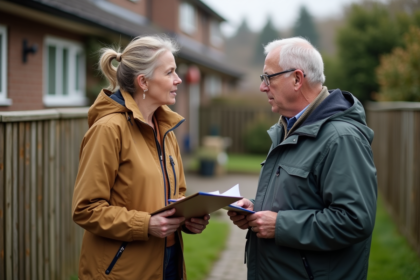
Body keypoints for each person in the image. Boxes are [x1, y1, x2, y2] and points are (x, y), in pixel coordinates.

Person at [228, 37, 377, 280]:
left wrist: (280, 225)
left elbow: (354, 220)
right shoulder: (289, 128)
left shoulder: (341, 138)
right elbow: (302, 197)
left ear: (297, 79)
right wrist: (257, 208)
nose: (262, 87)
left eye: (268, 77)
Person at [72, 35, 209, 280]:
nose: (178, 80)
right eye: (169, 73)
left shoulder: (166, 131)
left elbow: (175, 196)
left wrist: (188, 218)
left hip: (169, 263)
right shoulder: (108, 130)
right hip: (122, 271)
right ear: (143, 81)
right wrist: (145, 224)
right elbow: (86, 209)